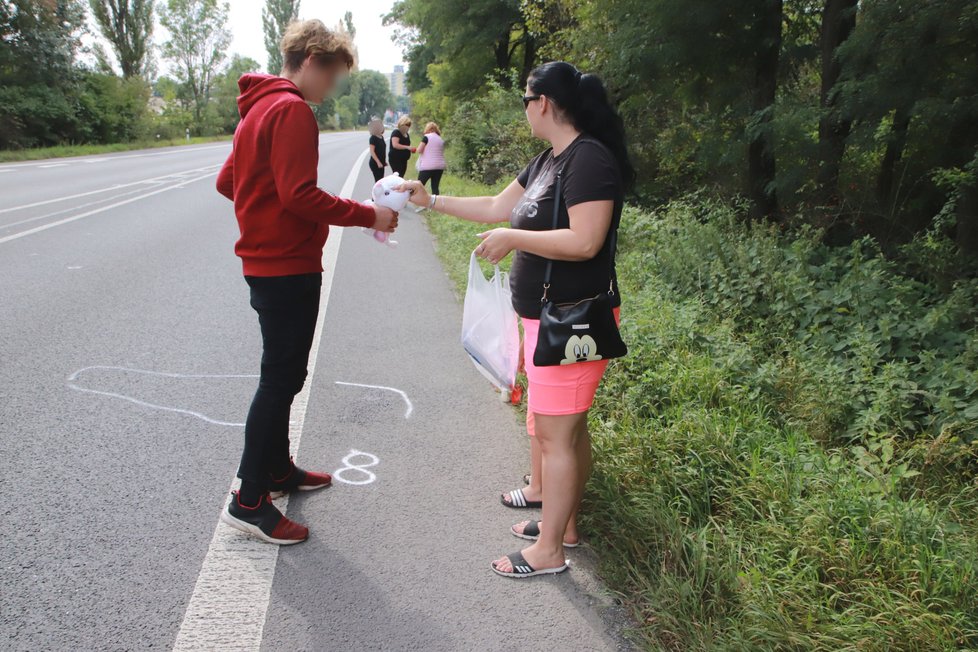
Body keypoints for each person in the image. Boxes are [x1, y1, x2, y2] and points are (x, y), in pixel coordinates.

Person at [399, 61, 634, 578]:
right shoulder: (548, 160)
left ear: (543, 102)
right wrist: (430, 199)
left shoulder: (587, 160)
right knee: (562, 431)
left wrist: (515, 238)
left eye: (526, 99)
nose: (524, 108)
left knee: (558, 435)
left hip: (572, 321)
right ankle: (562, 525)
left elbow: (585, 239)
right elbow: (494, 205)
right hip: (544, 319)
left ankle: (550, 551)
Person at [215, 19, 399, 545]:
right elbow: (298, 194)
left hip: (265, 262)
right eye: (334, 78)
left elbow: (229, 182)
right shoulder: (291, 109)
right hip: (288, 264)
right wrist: (369, 215)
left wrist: (262, 217)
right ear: (314, 62)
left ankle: (276, 470)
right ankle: (249, 500)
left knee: (284, 373)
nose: (330, 91)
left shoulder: (257, 108)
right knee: (280, 379)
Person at [415, 122, 446, 195]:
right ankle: (435, 205)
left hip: (427, 166)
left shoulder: (426, 137)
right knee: (435, 187)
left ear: (428, 129)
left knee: (419, 185)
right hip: (439, 167)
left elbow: (419, 150)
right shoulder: (440, 139)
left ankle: (420, 201)